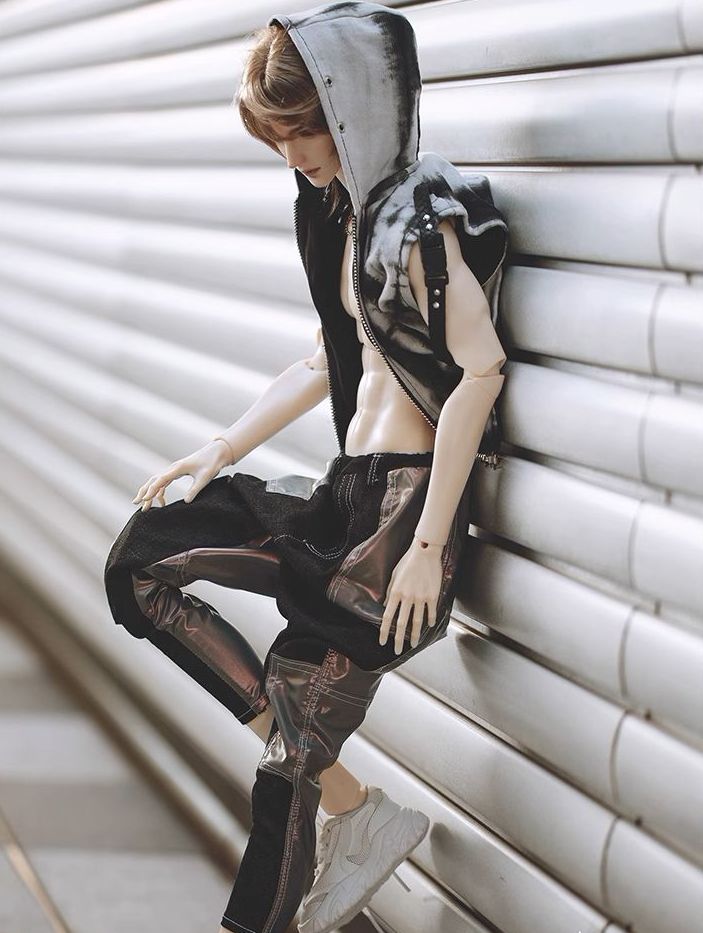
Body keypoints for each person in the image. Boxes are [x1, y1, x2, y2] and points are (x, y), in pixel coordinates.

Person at [103, 3, 509, 932]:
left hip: (396, 520)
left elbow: (480, 371)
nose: (292, 154)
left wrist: (427, 545)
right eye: (276, 138)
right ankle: (354, 808)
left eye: (305, 131)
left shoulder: (418, 222)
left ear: (356, 108)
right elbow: (329, 357)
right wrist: (223, 447)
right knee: (140, 564)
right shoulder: (341, 215)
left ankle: (306, 851)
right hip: (345, 492)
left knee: (282, 783)